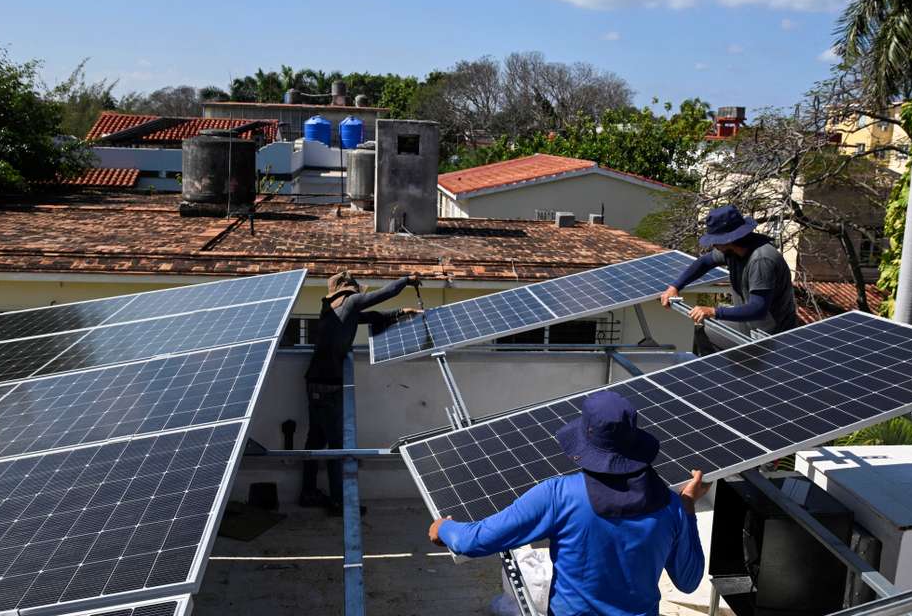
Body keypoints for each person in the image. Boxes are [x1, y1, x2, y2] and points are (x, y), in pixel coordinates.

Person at [427, 391, 710, 616]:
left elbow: (475, 541)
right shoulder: (671, 506)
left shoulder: (559, 496)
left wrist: (444, 529)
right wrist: (687, 507)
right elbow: (689, 581)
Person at [301, 270, 421, 512]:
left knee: (315, 440)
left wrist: (399, 313)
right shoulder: (350, 303)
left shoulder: (336, 309)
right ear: (349, 289)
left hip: (315, 382)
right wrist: (406, 280)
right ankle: (339, 502)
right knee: (336, 446)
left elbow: (372, 316)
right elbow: (383, 294)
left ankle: (308, 492)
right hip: (327, 386)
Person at [660, 204, 798, 354]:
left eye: (715, 240)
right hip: (750, 328)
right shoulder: (732, 252)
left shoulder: (761, 260)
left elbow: (758, 308)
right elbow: (704, 262)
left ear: (728, 240)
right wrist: (675, 286)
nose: (713, 244)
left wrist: (713, 311)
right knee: (705, 330)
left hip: (774, 336)